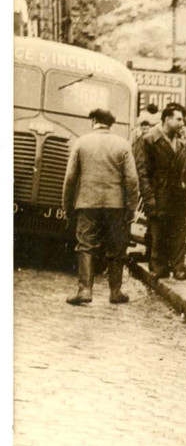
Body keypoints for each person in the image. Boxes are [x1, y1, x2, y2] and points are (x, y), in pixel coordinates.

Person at [62, 108, 140, 305]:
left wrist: (67, 206)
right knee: (116, 249)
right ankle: (115, 292)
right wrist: (131, 207)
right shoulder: (123, 145)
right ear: (110, 124)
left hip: (87, 203)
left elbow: (70, 178)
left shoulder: (81, 142)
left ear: (94, 121)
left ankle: (85, 290)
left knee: (86, 245)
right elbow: (132, 180)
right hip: (116, 206)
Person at [135, 103, 186, 280]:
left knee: (179, 230)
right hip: (158, 193)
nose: (182, 122)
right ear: (167, 120)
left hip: (178, 195)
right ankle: (158, 267)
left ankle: (178, 267)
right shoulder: (149, 140)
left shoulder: (181, 141)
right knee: (158, 231)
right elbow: (143, 173)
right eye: (179, 119)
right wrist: (149, 198)